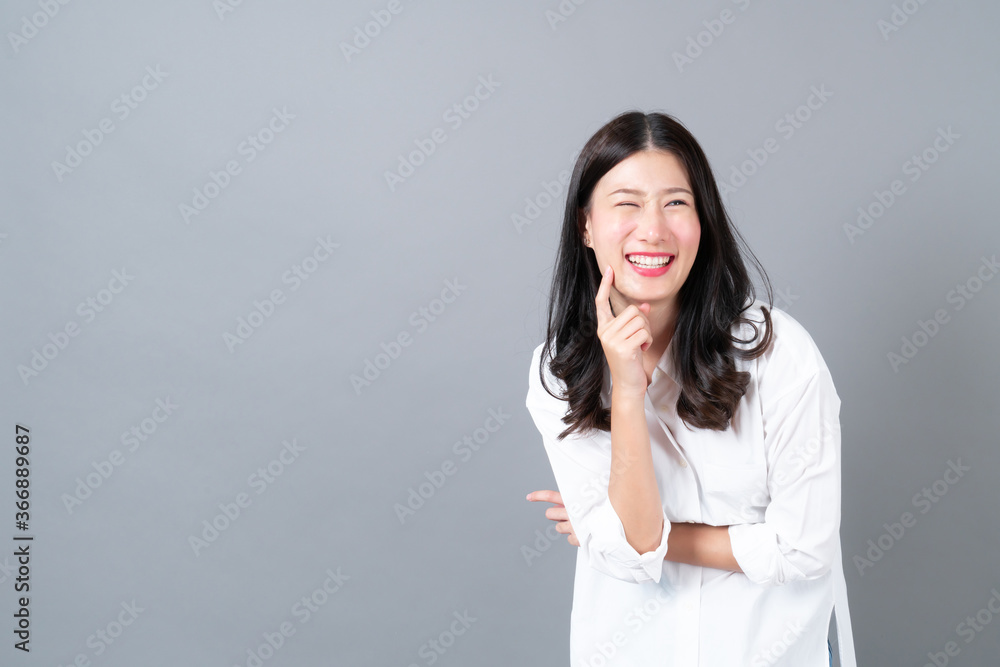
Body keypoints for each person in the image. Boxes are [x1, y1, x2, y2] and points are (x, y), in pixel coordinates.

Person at [523, 110, 855, 666]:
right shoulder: (560, 374)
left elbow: (802, 550)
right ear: (586, 224)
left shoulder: (779, 354)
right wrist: (626, 393)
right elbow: (631, 557)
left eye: (676, 203)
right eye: (626, 203)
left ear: (703, 222)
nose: (653, 229)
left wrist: (614, 530)